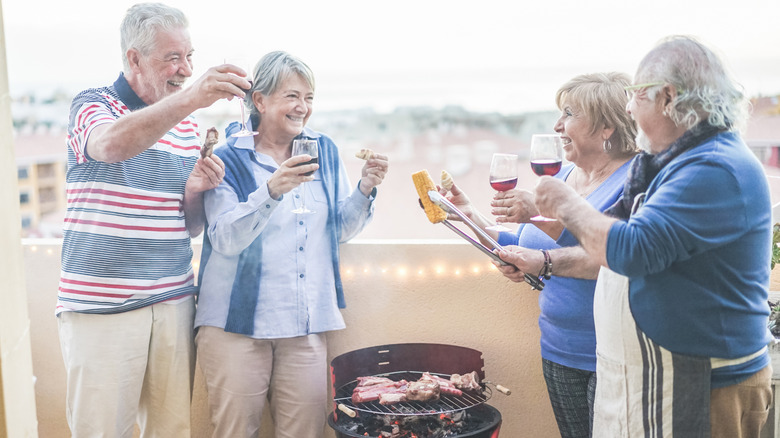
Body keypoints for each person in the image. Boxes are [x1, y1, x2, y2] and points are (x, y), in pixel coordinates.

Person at [533, 35, 773, 437]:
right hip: (660, 377)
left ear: (668, 97)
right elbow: (605, 246)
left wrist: (566, 203)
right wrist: (542, 262)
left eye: (635, 96)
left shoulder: (712, 168)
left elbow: (631, 250)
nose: (627, 107)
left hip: (703, 384)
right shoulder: (669, 165)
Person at [55, 3, 238, 436]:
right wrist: (191, 97)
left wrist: (195, 190)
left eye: (190, 56)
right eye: (173, 57)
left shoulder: (188, 128)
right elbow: (110, 146)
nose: (185, 68)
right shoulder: (92, 104)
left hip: (173, 299)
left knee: (171, 430)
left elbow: (189, 226)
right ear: (134, 58)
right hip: (101, 307)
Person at [194, 50, 389, 438]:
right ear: (260, 100)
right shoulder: (227, 158)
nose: (303, 107)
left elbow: (339, 230)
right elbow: (224, 238)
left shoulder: (324, 151)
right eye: (292, 96)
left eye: (310, 98)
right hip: (235, 328)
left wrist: (365, 188)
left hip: (304, 325)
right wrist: (271, 190)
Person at [443, 72, 638, 438]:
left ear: (606, 127)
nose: (557, 125)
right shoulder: (560, 174)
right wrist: (469, 215)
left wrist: (536, 213)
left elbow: (616, 256)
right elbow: (522, 241)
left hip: (609, 351)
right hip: (557, 346)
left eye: (569, 114)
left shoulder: (632, 181)